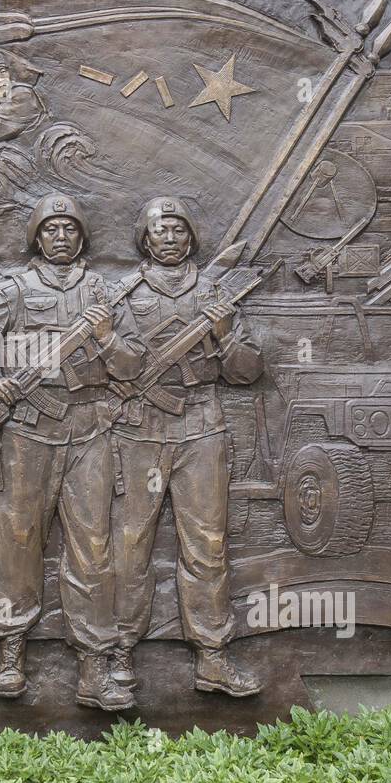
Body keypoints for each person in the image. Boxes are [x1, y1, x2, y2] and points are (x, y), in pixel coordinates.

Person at [0, 193, 141, 710]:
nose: (60, 237)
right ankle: (11, 647)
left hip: (90, 430)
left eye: (70, 229)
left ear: (82, 237)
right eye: (50, 229)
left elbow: (132, 364)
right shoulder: (13, 289)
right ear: (36, 237)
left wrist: (105, 337)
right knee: (19, 537)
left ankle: (94, 664)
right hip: (29, 432)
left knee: (92, 546)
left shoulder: (106, 292)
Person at [110, 197, 265, 699]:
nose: (170, 238)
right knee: (130, 545)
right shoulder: (123, 294)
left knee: (208, 546)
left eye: (179, 229)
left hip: (202, 428)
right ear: (145, 239)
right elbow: (112, 366)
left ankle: (213, 657)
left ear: (192, 237)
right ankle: (119, 653)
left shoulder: (217, 293)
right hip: (140, 431)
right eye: (160, 230)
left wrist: (223, 335)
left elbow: (247, 371)